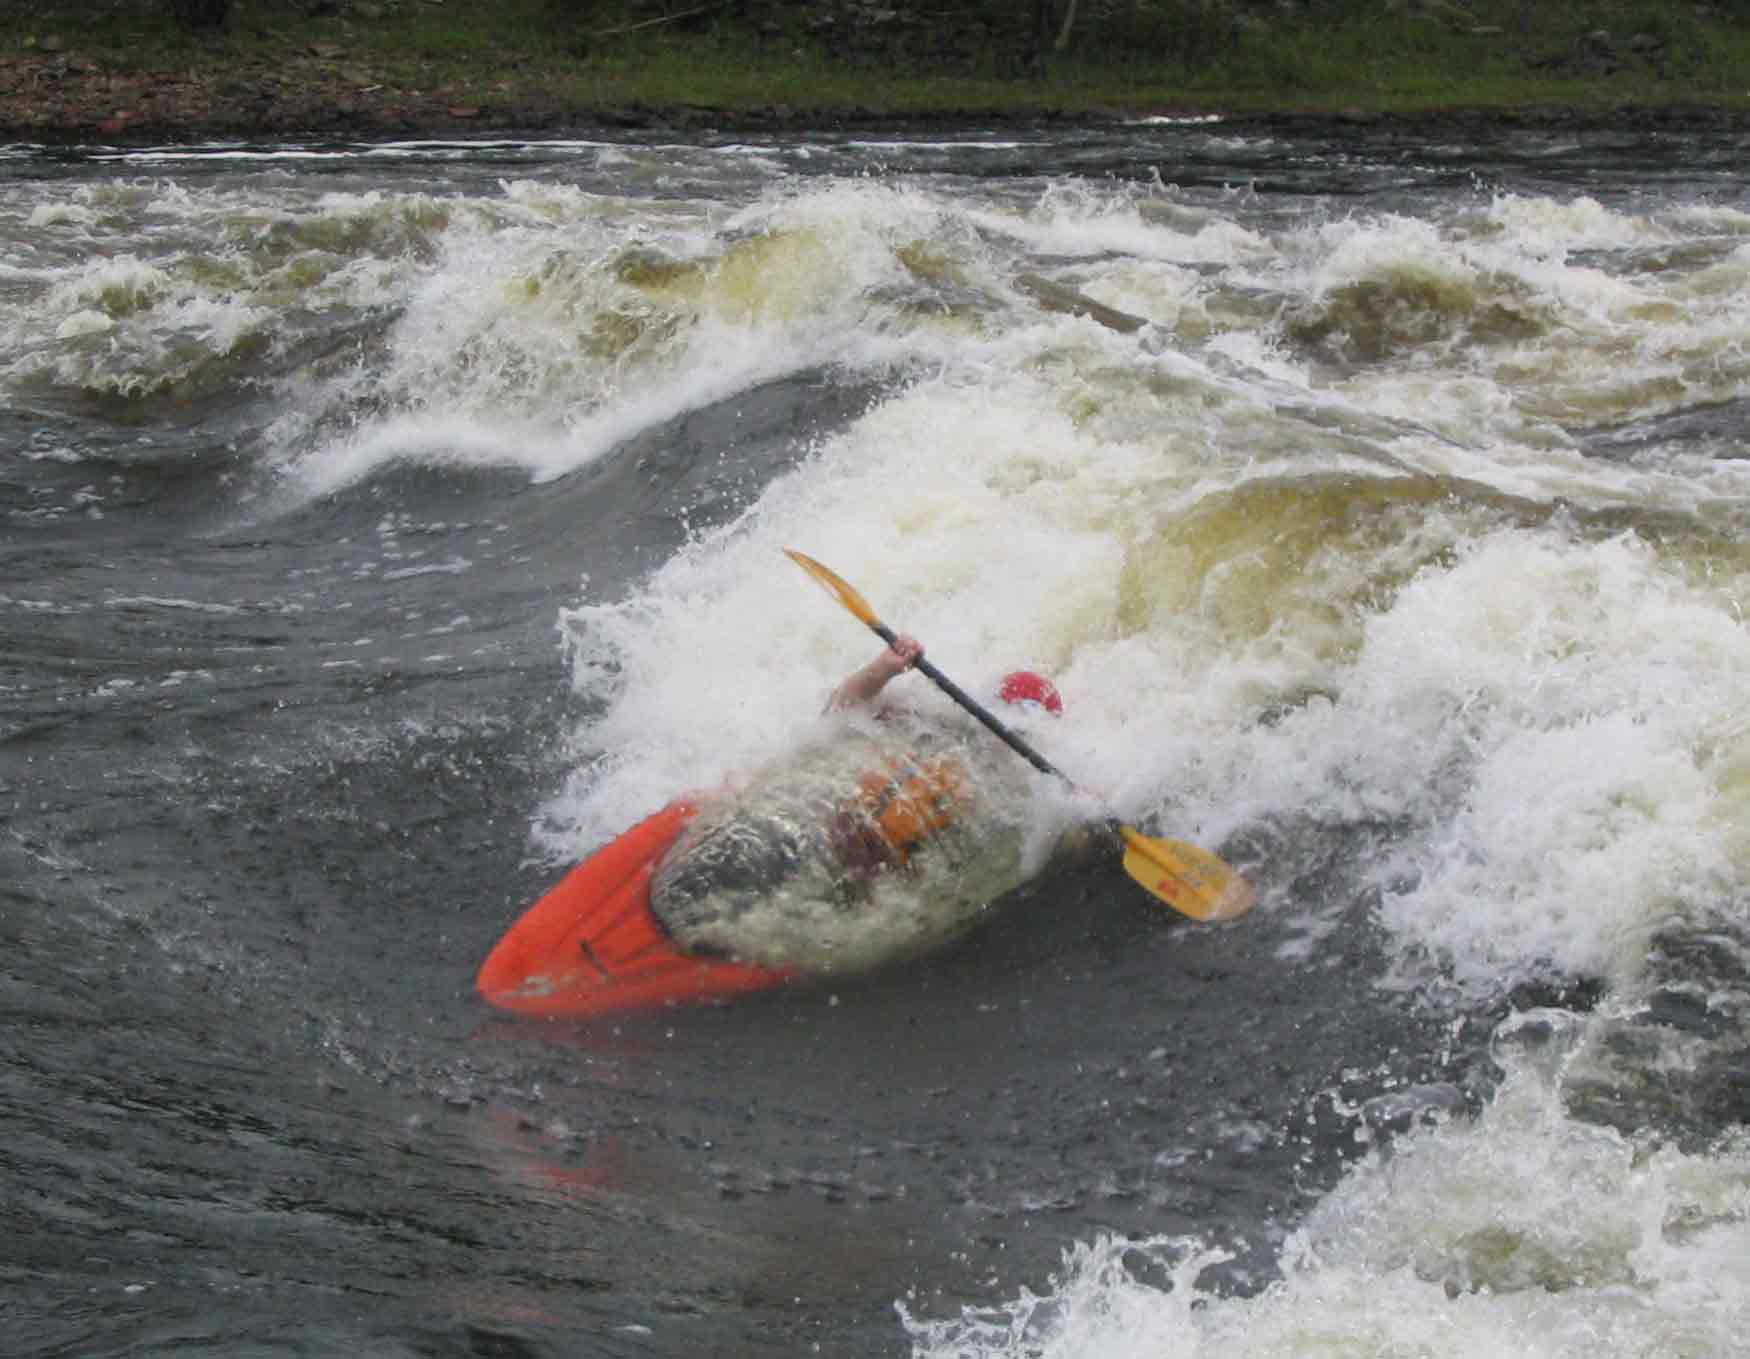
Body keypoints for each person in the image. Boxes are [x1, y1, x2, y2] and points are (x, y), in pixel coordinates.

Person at [646, 634, 1072, 974]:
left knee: (795, 908)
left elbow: (1053, 834)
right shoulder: (927, 716)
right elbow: (841, 711)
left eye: (1015, 733)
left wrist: (1086, 814)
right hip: (825, 828)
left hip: (876, 879)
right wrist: (883, 669)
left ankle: (725, 934)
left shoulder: (1016, 787)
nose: (997, 736)